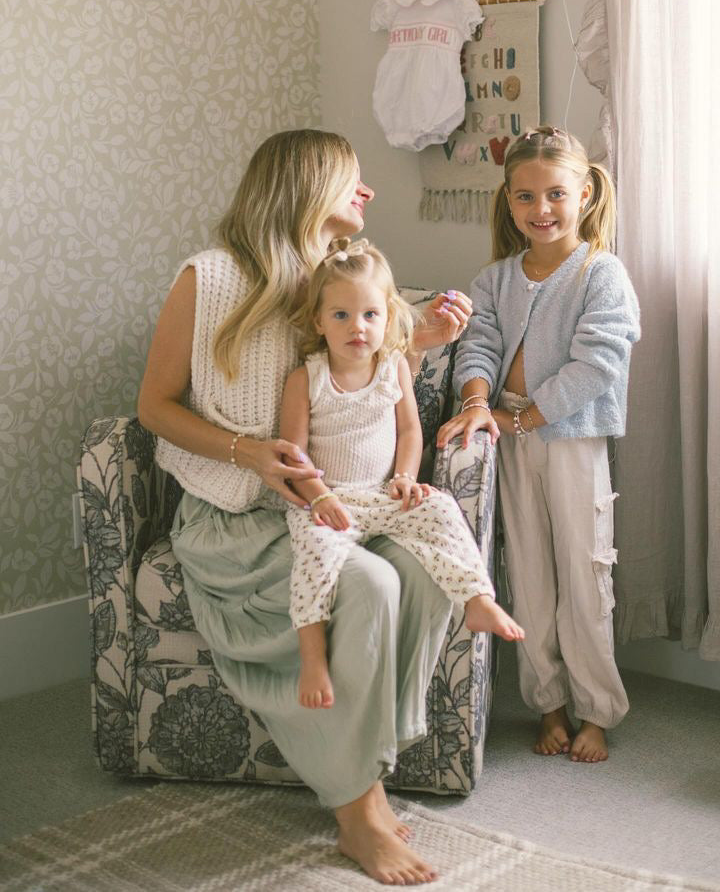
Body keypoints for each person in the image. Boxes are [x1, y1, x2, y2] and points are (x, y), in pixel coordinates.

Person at [137, 128, 473, 886]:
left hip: (331, 508)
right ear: (310, 184)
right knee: (370, 584)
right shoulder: (208, 277)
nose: (368, 191)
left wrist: (422, 337)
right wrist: (247, 451)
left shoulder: (338, 277)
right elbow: (154, 405)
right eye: (353, 178)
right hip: (235, 519)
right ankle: (358, 814)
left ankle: (370, 766)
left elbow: (364, 386)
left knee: (425, 571)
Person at [437, 125, 640, 765]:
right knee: (526, 572)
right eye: (525, 196)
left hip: (570, 436)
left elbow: (596, 366)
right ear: (508, 200)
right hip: (506, 433)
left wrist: (520, 418)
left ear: (584, 194)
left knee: (585, 573)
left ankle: (596, 710)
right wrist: (478, 404)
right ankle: (547, 703)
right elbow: (477, 346)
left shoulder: (601, 274)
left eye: (555, 194)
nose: (541, 209)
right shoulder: (495, 279)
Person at [280, 237, 524, 710]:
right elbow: (294, 456)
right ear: (318, 321)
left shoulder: (393, 368)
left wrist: (406, 478)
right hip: (329, 500)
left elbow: (410, 431)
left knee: (441, 508)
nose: (357, 327)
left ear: (388, 319)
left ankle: (477, 599)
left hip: (381, 494)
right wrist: (319, 496)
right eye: (341, 315)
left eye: (370, 315)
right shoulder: (306, 378)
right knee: (314, 553)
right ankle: (313, 658)